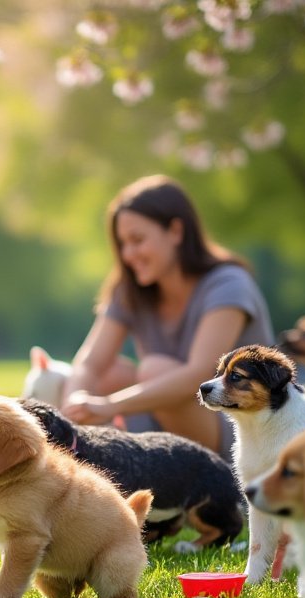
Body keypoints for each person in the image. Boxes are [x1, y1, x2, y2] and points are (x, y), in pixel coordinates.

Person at [60, 175, 274, 458]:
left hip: (241, 431)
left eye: (137, 240)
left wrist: (110, 405)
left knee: (152, 370)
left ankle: (202, 481)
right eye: (122, 244)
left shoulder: (228, 283)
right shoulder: (131, 290)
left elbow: (198, 374)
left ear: (175, 231)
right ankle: (98, 462)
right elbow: (89, 363)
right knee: (107, 375)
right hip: (173, 424)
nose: (128, 254)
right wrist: (70, 412)